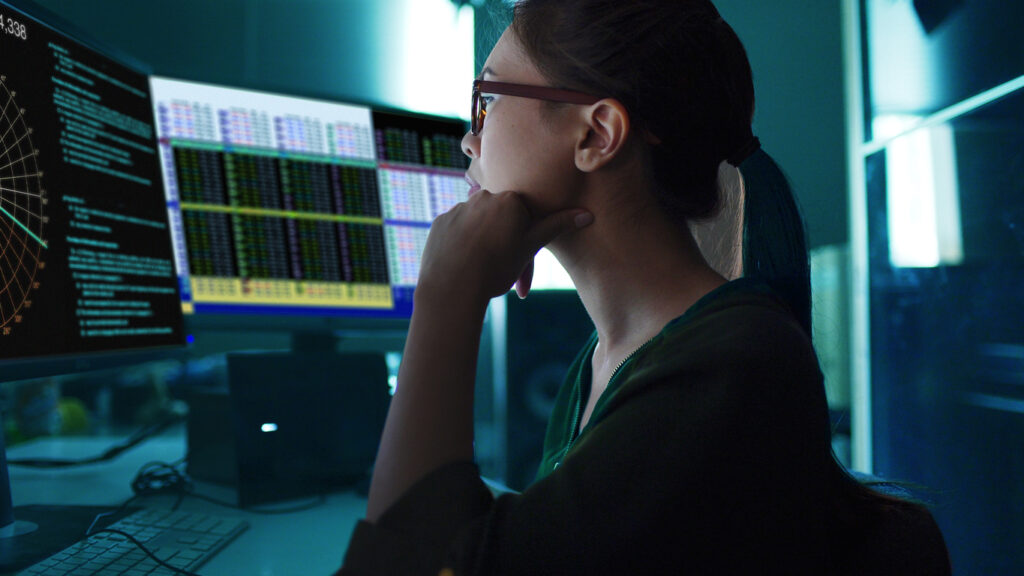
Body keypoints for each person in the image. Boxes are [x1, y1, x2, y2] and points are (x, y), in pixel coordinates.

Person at [337, 1, 951, 574]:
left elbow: (405, 564)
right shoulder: (604, 359)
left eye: (487, 100)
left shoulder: (734, 364)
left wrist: (448, 291)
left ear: (596, 134)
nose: (469, 139)